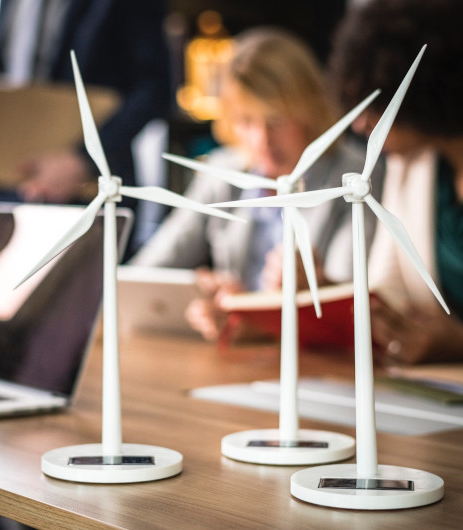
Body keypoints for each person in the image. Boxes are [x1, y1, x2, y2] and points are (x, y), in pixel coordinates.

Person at [131, 28, 384, 340]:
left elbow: (352, 300)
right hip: (237, 355)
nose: (262, 139)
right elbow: (145, 271)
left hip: (320, 355)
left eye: (276, 119)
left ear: (309, 109)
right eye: (246, 121)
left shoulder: (356, 178)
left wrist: (316, 286)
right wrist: (196, 291)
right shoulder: (222, 171)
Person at [328, 0, 463, 364]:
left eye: (376, 106)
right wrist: (323, 294)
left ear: (425, 87)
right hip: (455, 382)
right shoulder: (410, 166)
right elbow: (389, 291)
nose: (361, 125)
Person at [0, 0, 171, 205]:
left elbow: (155, 86)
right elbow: (4, 71)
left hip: (93, 191)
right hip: (13, 184)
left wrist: (82, 160)